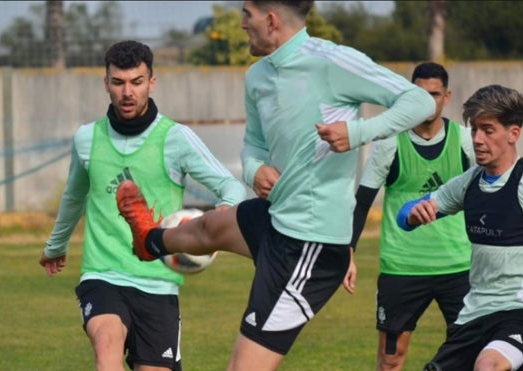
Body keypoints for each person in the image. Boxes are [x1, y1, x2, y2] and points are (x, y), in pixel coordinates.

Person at [114, 1, 436, 370]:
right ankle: (148, 240)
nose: (241, 24)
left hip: (309, 243)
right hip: (276, 216)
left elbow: (420, 101)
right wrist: (254, 170)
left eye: (247, 14)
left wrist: (359, 133)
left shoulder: (332, 61)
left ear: (271, 21)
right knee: (208, 226)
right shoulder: (257, 76)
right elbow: (253, 143)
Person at [38, 40, 246, 371]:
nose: (127, 92)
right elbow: (74, 195)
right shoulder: (87, 138)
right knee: (106, 349)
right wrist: (56, 246)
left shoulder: (176, 138)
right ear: (106, 83)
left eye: (136, 82)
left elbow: (229, 185)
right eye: (118, 82)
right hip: (103, 275)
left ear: (152, 81)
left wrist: (222, 216)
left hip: (159, 283)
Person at [346, 62, 475, 370]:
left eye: (434, 94)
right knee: (390, 359)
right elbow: (362, 202)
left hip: (459, 267)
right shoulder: (390, 142)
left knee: (474, 354)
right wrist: (347, 253)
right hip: (402, 268)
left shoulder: (467, 140)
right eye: (420, 94)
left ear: (447, 96)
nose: (428, 102)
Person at [398, 84, 523, 371]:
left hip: (517, 311)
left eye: (488, 130)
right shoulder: (469, 183)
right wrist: (414, 213)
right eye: (474, 129)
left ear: (513, 133)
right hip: (475, 313)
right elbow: (404, 217)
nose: (477, 139)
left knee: (488, 366)